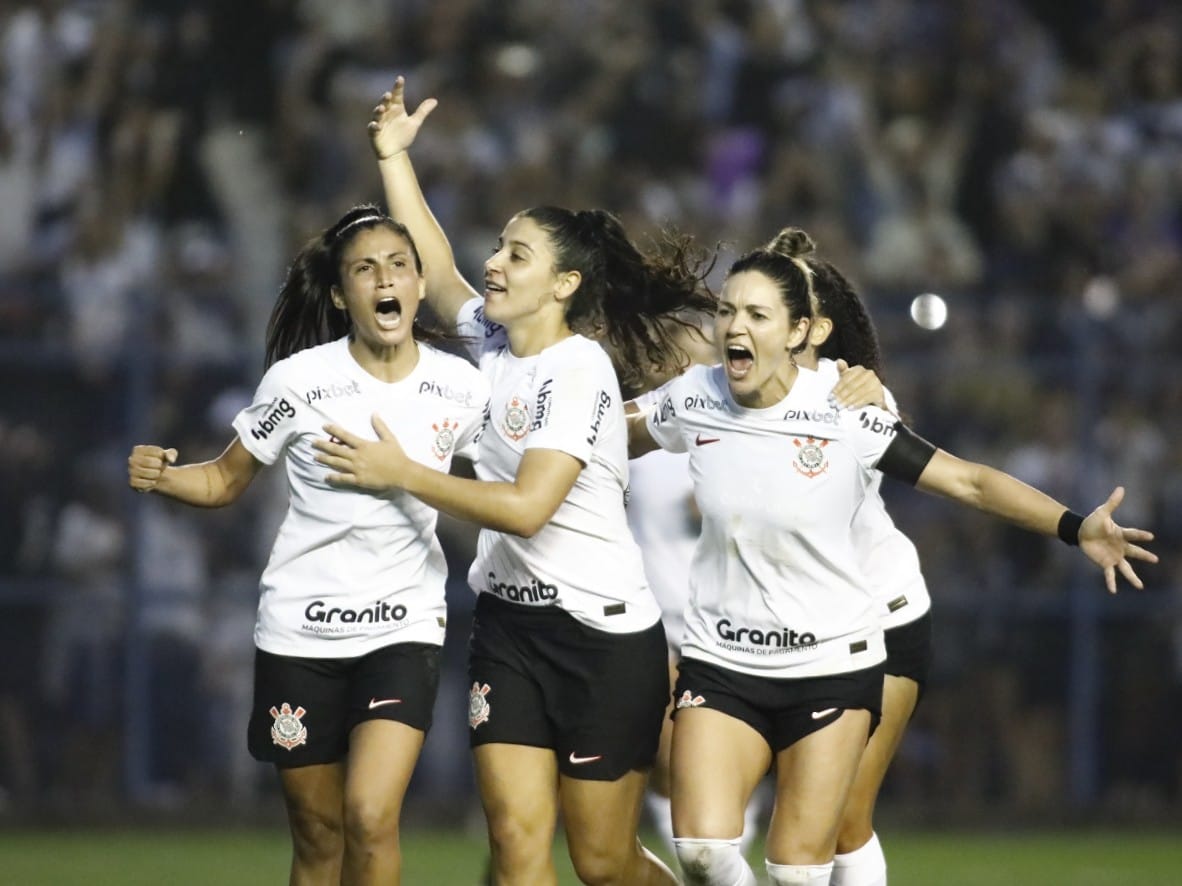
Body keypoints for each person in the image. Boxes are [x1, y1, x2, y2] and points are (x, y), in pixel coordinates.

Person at [626, 227, 1157, 886]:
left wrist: (1075, 526)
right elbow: (605, 436)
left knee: (836, 831)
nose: (733, 324)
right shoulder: (698, 396)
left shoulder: (853, 405)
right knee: (704, 851)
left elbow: (966, 479)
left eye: (757, 312)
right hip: (730, 652)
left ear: (808, 331)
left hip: (863, 630)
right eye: (728, 310)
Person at [313, 78, 717, 886]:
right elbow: (440, 265)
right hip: (508, 631)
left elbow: (530, 509)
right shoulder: (495, 344)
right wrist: (395, 161)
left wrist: (405, 474)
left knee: (603, 865)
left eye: (516, 254)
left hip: (602, 640)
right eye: (498, 247)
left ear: (564, 285)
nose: (493, 263)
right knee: (517, 849)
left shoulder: (578, 368)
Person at [127, 205, 489, 886]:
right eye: (365, 269)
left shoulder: (462, 386)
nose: (385, 279)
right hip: (301, 632)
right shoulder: (297, 382)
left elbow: (517, 478)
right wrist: (163, 476)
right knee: (320, 838)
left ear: (417, 285)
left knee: (370, 815)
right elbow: (224, 479)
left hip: (403, 628)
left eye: (399, 266)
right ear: (338, 293)